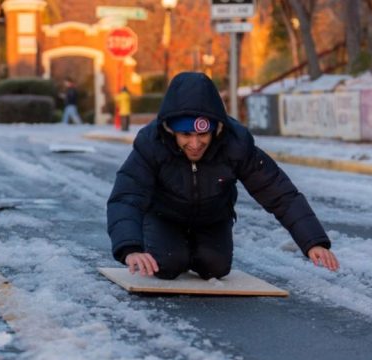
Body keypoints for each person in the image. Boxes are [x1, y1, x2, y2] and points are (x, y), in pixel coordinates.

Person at [107, 72, 339, 280]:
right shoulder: (152, 144)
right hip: (164, 215)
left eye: (203, 134)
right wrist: (131, 248)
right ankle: (173, 248)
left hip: (213, 217)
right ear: (171, 130)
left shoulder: (235, 144)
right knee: (167, 265)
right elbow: (127, 196)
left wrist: (313, 242)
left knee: (215, 268)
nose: (195, 144)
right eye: (185, 134)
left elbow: (279, 193)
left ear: (215, 129)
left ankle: (196, 251)